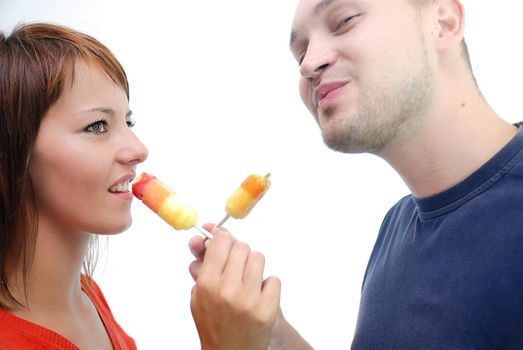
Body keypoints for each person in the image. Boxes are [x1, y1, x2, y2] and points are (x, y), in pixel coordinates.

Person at [189, 0, 523, 348]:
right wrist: (271, 335)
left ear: (444, 21)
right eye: (300, 53)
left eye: (345, 21)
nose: (308, 65)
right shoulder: (395, 229)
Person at [0, 22, 281, 349]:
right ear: (13, 150)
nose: (139, 150)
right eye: (97, 125)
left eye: (127, 121)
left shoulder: (89, 297)